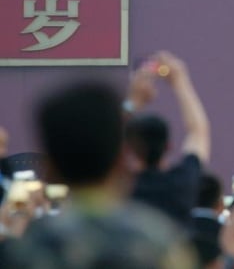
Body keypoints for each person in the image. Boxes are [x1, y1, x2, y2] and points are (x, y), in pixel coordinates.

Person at [4, 79, 195, 267]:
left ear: (49, 167)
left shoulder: (29, 248)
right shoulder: (159, 243)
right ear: (121, 160)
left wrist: (17, 218)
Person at [124, 51, 211, 228]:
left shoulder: (120, 185)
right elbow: (198, 132)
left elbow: (102, 145)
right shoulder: (181, 183)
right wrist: (180, 81)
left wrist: (133, 101)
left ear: (130, 148)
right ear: (168, 146)